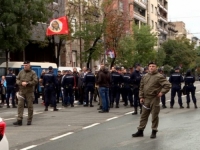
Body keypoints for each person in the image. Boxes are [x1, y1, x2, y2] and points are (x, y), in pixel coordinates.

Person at [132, 62, 171, 138]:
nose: (151, 67)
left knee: (154, 116)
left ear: (156, 67)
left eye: (153, 66)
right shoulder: (145, 76)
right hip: (146, 99)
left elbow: (168, 85)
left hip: (154, 98)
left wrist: (162, 92)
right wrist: (141, 97)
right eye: (150, 66)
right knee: (143, 115)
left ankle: (154, 131)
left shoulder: (159, 76)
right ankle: (140, 131)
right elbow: (141, 87)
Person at [13, 61, 38, 126]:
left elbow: (35, 81)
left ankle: (29, 120)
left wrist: (28, 83)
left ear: (29, 65)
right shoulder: (21, 72)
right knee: (20, 105)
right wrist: (21, 83)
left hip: (29, 92)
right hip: (21, 91)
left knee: (30, 106)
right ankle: (19, 120)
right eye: (24, 65)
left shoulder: (33, 73)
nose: (25, 66)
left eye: (26, 65)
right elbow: (17, 79)